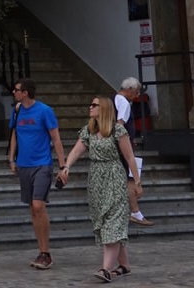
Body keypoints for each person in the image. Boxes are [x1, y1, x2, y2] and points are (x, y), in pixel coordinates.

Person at [56, 95, 143, 282]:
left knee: (113, 222)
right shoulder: (89, 130)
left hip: (114, 176)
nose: (90, 107)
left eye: (94, 105)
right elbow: (77, 151)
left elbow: (129, 157)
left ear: (103, 108)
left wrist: (136, 182)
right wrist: (66, 167)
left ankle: (105, 269)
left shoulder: (117, 130)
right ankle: (125, 265)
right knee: (105, 223)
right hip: (96, 180)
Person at [7, 78, 66, 271]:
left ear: (25, 92)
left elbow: (55, 138)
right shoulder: (17, 111)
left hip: (42, 164)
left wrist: (62, 164)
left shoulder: (44, 111)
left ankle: (46, 252)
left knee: (38, 204)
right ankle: (42, 250)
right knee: (33, 209)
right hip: (24, 164)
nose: (14, 93)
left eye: (16, 90)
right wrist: (11, 158)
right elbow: (15, 133)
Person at [114, 76, 153, 226]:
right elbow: (120, 124)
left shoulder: (114, 99)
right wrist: (125, 143)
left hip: (119, 144)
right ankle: (135, 212)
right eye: (136, 92)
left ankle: (135, 212)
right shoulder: (124, 102)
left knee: (128, 177)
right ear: (129, 90)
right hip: (122, 145)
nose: (137, 96)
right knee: (131, 177)